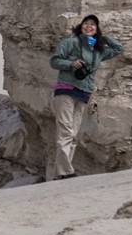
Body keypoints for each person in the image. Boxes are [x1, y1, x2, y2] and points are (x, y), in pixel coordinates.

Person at [48, 14, 124, 180]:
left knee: (73, 134)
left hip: (83, 93)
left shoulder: (98, 50)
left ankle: (58, 175)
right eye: (86, 23)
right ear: (80, 26)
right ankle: (67, 172)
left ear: (97, 29)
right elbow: (54, 61)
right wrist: (70, 63)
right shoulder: (70, 43)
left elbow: (119, 49)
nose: (89, 26)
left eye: (93, 25)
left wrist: (103, 37)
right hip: (66, 89)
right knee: (65, 131)